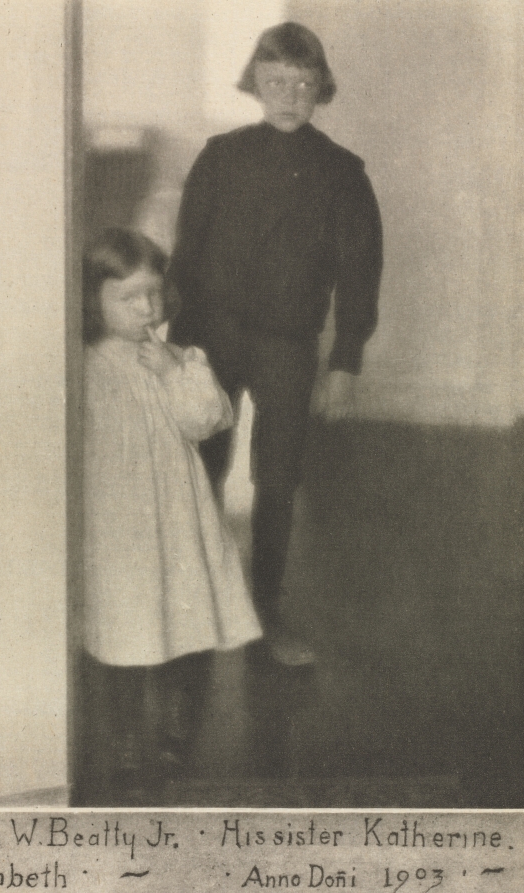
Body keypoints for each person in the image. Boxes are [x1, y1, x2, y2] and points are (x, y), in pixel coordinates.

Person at [167, 22, 383, 667]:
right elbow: (186, 256)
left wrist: (344, 362)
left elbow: (361, 275)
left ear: (321, 88)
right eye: (275, 82)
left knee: (279, 476)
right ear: (254, 85)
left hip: (288, 346)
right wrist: (177, 349)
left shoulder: (343, 174)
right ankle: (198, 600)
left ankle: (265, 607)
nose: (289, 96)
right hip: (210, 337)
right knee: (202, 465)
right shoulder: (220, 156)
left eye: (303, 84)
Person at [81, 228, 261, 800]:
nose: (146, 308)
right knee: (123, 623)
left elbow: (207, 421)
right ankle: (125, 740)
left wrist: (173, 372)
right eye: (128, 297)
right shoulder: (83, 366)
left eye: (153, 294)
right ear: (93, 301)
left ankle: (176, 731)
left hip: (177, 513)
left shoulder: (181, 358)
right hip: (117, 519)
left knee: (185, 614)